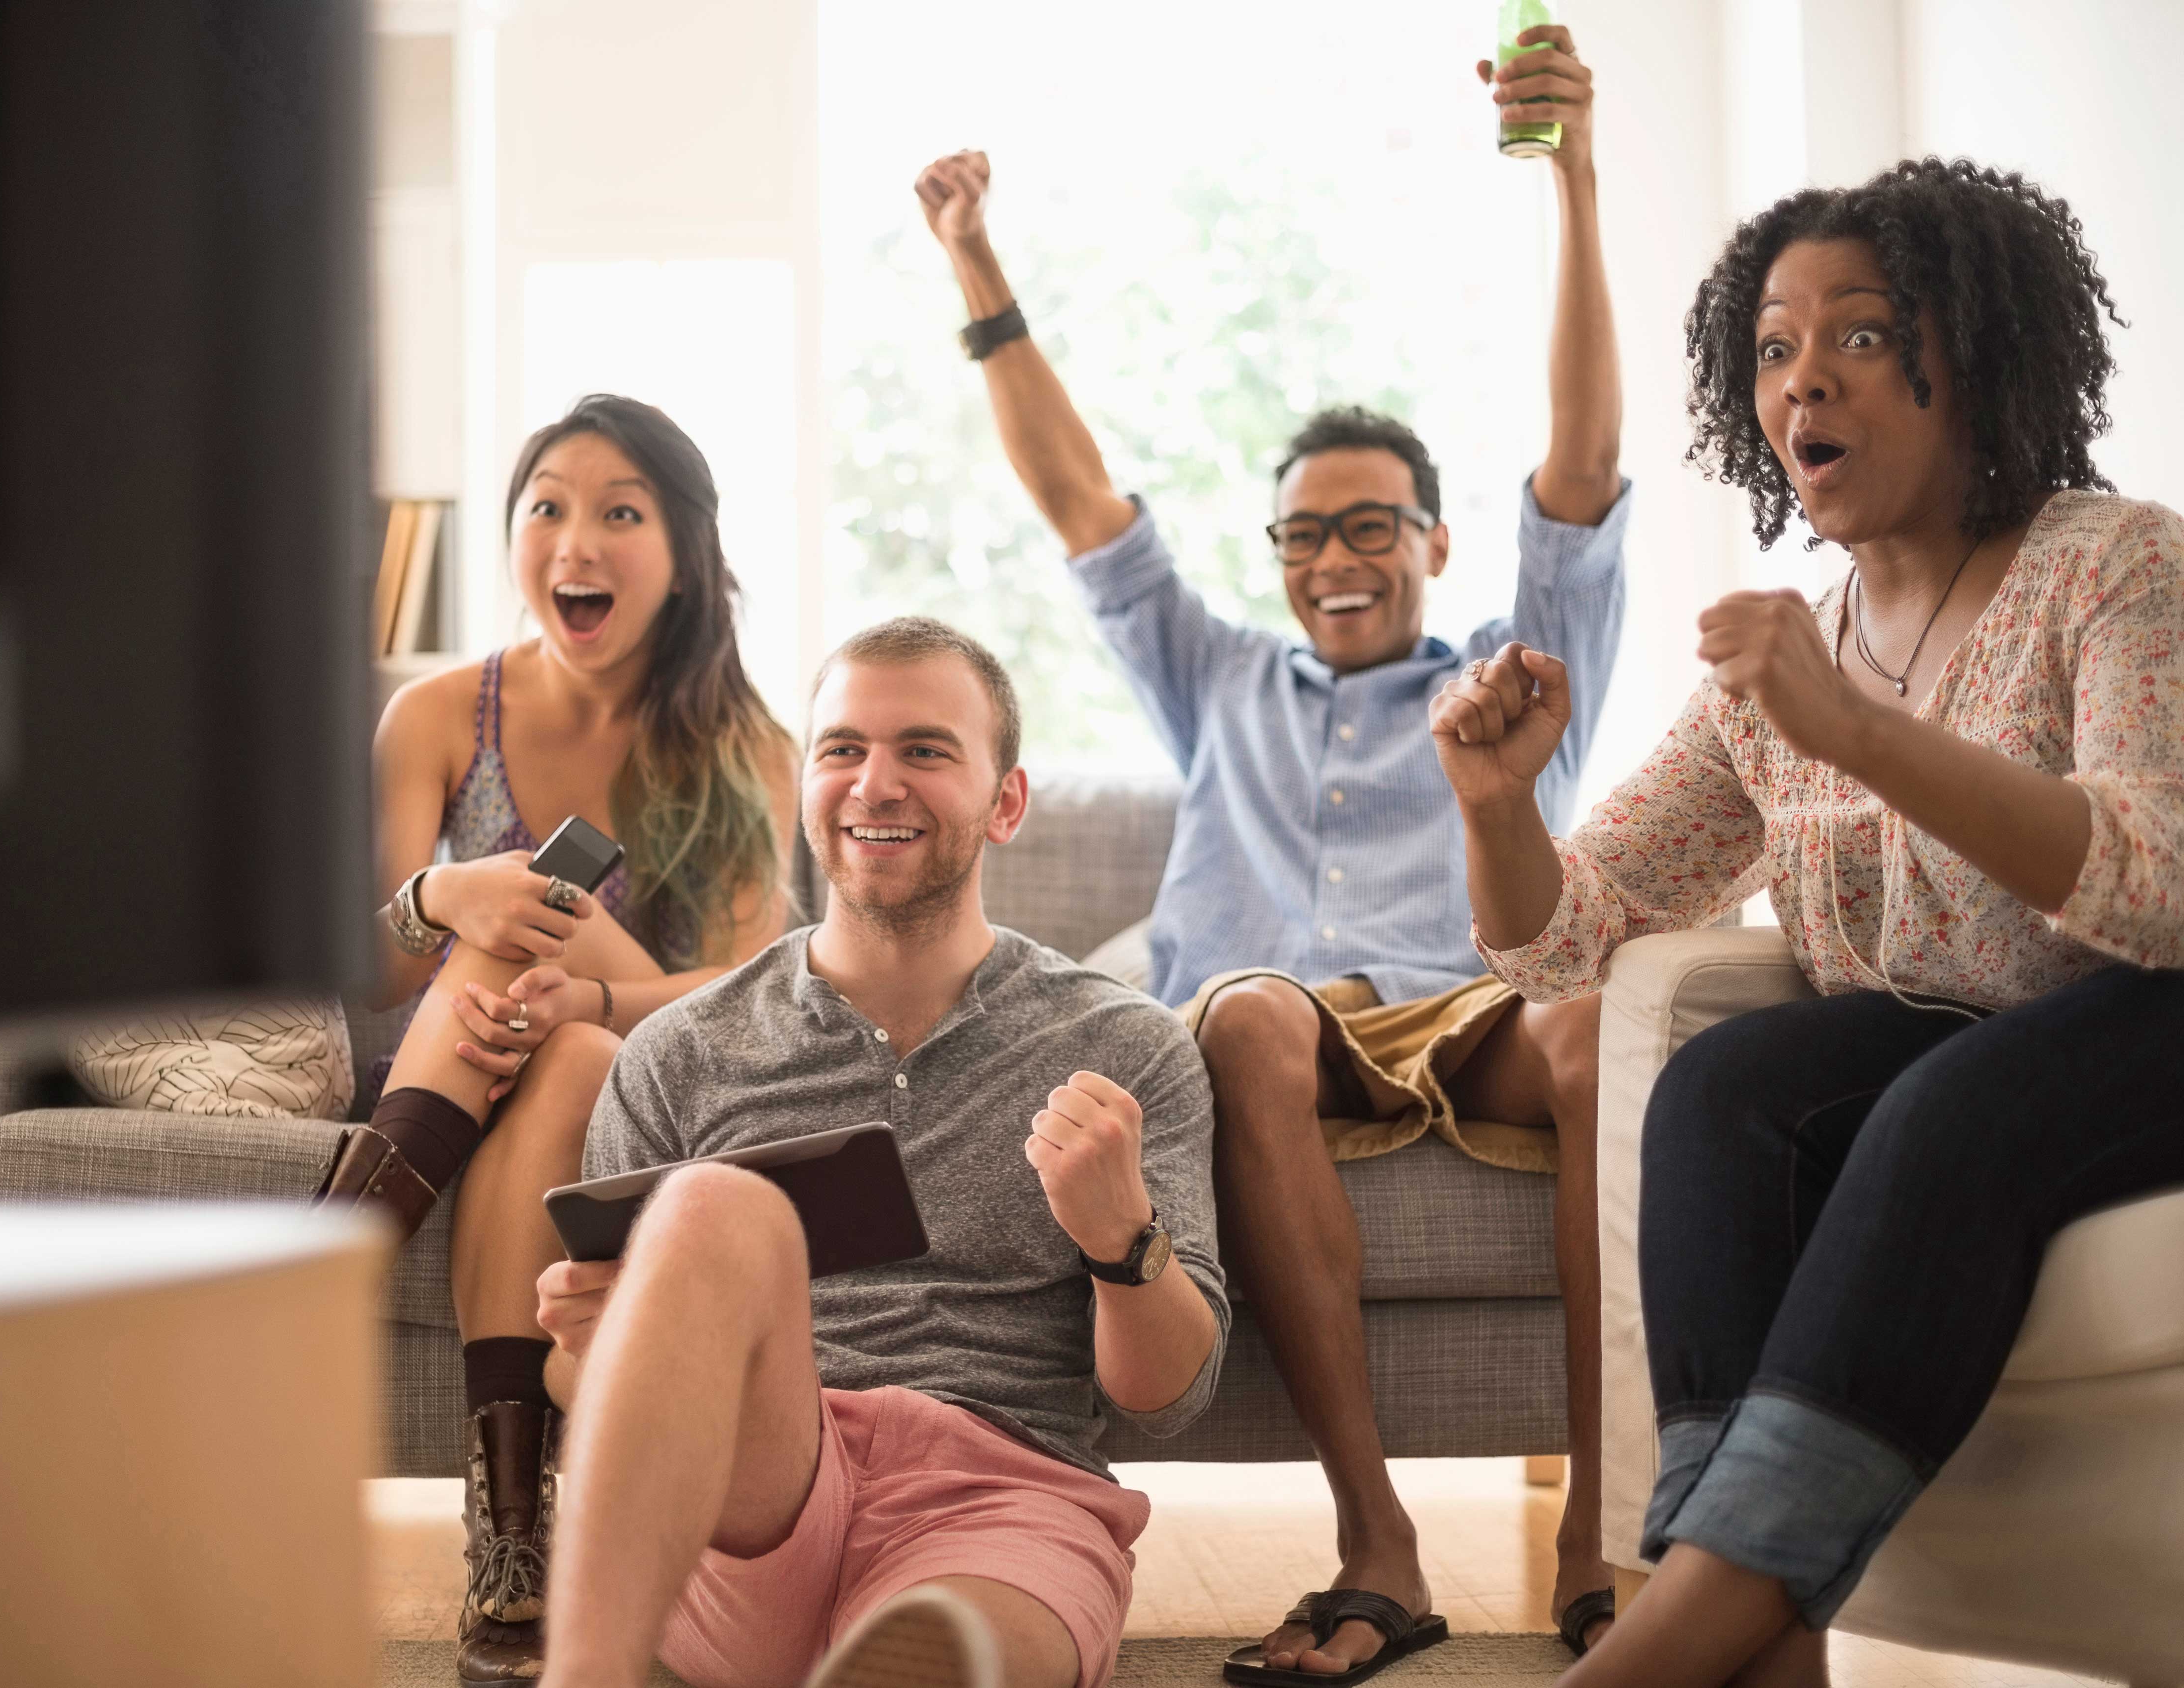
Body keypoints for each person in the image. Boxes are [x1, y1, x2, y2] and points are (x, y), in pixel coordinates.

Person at [915, 24, 1628, 1669]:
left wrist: (1575, 180)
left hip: (1473, 1002)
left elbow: (1582, 465)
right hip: (1283, 1024)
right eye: (1303, 532)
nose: (1334, 558)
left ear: (1436, 541)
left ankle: (1600, 1526)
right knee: (1239, 1010)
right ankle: (1377, 1541)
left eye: (1370, 524)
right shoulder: (1222, 676)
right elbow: (1079, 495)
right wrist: (976, 264)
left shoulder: (1526, 677)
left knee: (1599, 1022)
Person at [1434, 159, 2184, 1688]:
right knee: (1726, 1086)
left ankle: (1670, 1638)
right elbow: (1562, 945)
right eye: (1773, 350)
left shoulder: (2113, 564)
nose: (1803, 381)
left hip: (2154, 1015)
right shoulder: (1786, 664)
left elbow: (2156, 885)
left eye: (1856, 331)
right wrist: (1495, 803)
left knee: (1953, 1099)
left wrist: (1854, 731)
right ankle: (1766, 1656)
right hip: (1968, 1043)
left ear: (1969, 352)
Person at [527, 617, 1229, 1688]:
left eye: (926, 750)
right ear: (804, 787)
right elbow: (578, 1382)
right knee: (719, 1205)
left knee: (948, 1647)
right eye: (842, 749)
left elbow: (1166, 1397)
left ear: (1006, 802)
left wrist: (1119, 1236)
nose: (875, 783)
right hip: (755, 1485)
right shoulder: (680, 1049)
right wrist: (598, 1342)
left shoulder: (1126, 1046)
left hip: (1002, 1500)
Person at [321, 394, 798, 1682]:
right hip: (465, 1059)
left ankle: (327, 1261)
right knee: (508, 921)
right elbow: (359, 967)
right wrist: (442, 896)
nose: (575, 543)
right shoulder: (435, 716)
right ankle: (514, 1530)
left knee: (551, 947)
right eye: (548, 509)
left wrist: (579, 991)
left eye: (620, 514)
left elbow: (755, 994)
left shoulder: (749, 746)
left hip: (658, 1077)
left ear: (684, 555)